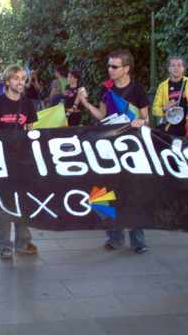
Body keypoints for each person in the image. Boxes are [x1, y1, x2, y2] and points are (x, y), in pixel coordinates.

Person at [77, 49, 149, 254]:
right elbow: (102, 116)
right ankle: (114, 237)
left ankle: (138, 240)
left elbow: (146, 119)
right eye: (109, 66)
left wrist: (141, 121)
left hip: (131, 149)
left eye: (114, 66)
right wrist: (84, 102)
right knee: (100, 192)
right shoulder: (106, 88)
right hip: (108, 147)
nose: (110, 69)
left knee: (132, 194)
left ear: (126, 69)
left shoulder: (138, 90)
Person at [0, 64, 39, 260]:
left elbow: (31, 133)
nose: (20, 82)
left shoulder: (27, 104)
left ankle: (23, 241)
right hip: (0, 161)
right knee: (3, 203)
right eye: (16, 78)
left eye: (23, 78)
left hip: (21, 161)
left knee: (23, 201)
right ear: (7, 81)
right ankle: (5, 245)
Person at [152, 56, 188, 136]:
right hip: (169, 128)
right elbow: (154, 110)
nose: (176, 68)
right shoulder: (162, 86)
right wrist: (164, 108)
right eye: (173, 65)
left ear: (183, 68)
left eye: (179, 65)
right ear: (169, 68)